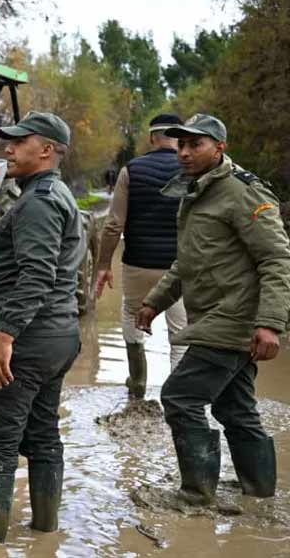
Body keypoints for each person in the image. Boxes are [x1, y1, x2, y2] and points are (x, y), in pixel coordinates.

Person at [136, 114, 290, 505]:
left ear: (219, 148)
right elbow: (188, 262)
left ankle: (196, 495)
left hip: (232, 319)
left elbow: (276, 258)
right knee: (234, 407)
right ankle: (260, 495)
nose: (184, 153)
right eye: (181, 146)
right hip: (214, 316)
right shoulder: (198, 192)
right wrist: (156, 301)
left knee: (179, 397)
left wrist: (270, 324)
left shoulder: (243, 193)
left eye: (195, 145)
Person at [0, 112, 83, 543]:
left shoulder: (38, 201)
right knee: (43, 435)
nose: (8, 149)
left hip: (29, 340)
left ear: (47, 150)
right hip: (58, 336)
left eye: (20, 142)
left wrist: (4, 336)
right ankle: (45, 533)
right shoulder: (57, 195)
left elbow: (36, 275)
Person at [94, 114, 189, 398]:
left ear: (151, 138)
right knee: (180, 333)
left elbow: (113, 225)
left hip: (138, 265)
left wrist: (103, 264)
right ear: (181, 137)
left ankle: (137, 383)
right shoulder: (192, 170)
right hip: (180, 267)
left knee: (132, 317)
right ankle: (178, 394)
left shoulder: (131, 170)